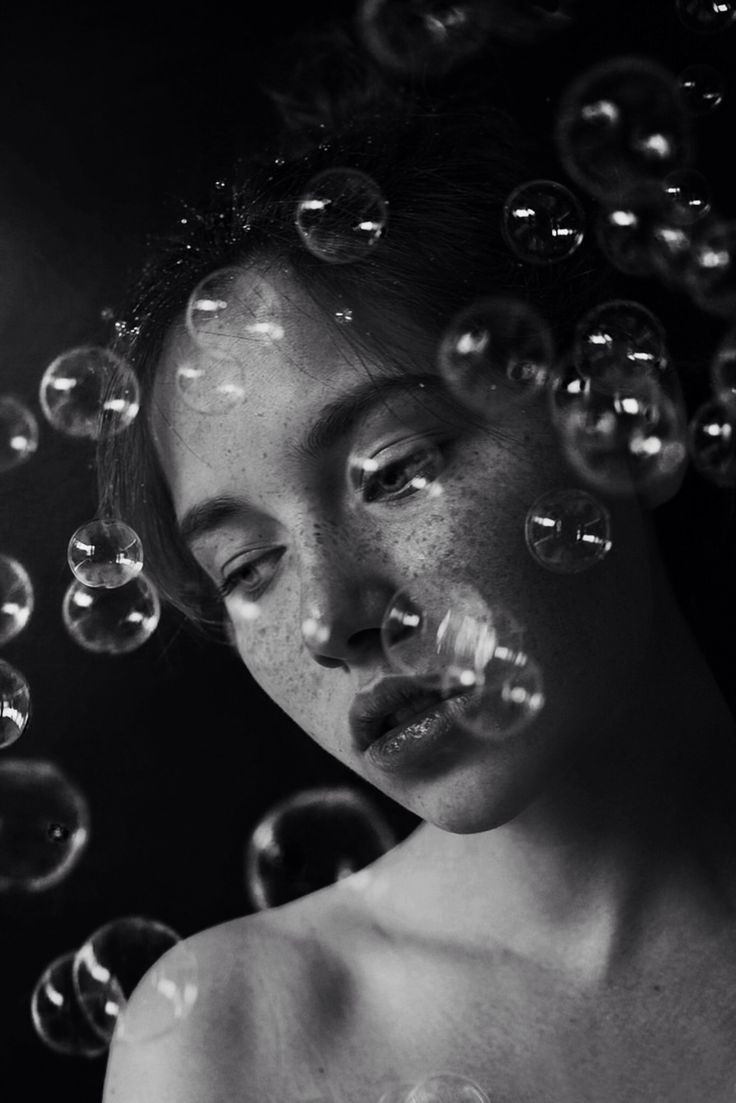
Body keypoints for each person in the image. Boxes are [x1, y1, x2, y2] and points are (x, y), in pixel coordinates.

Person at [101, 15, 736, 1103]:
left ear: (627, 410)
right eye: (248, 566)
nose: (329, 617)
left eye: (393, 469)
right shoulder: (227, 1048)